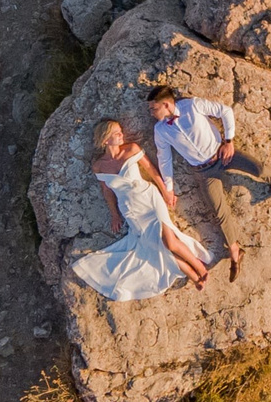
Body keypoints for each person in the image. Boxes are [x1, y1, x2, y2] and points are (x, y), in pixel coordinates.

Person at [148, 85, 271, 282]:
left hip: (223, 154)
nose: (151, 113)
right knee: (220, 212)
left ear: (166, 104)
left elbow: (224, 111)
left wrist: (229, 140)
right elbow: (164, 159)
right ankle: (236, 252)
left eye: (154, 108)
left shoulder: (192, 106)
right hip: (203, 172)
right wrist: (168, 189)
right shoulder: (160, 130)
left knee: (259, 169)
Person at [70, 117, 213, 299]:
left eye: (120, 131)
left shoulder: (131, 150)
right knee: (154, 247)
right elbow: (107, 191)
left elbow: (151, 170)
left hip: (148, 199)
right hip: (130, 209)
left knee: (169, 241)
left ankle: (200, 268)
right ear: (106, 139)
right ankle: (193, 275)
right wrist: (115, 215)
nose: (121, 135)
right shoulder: (98, 166)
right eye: (116, 133)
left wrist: (166, 191)